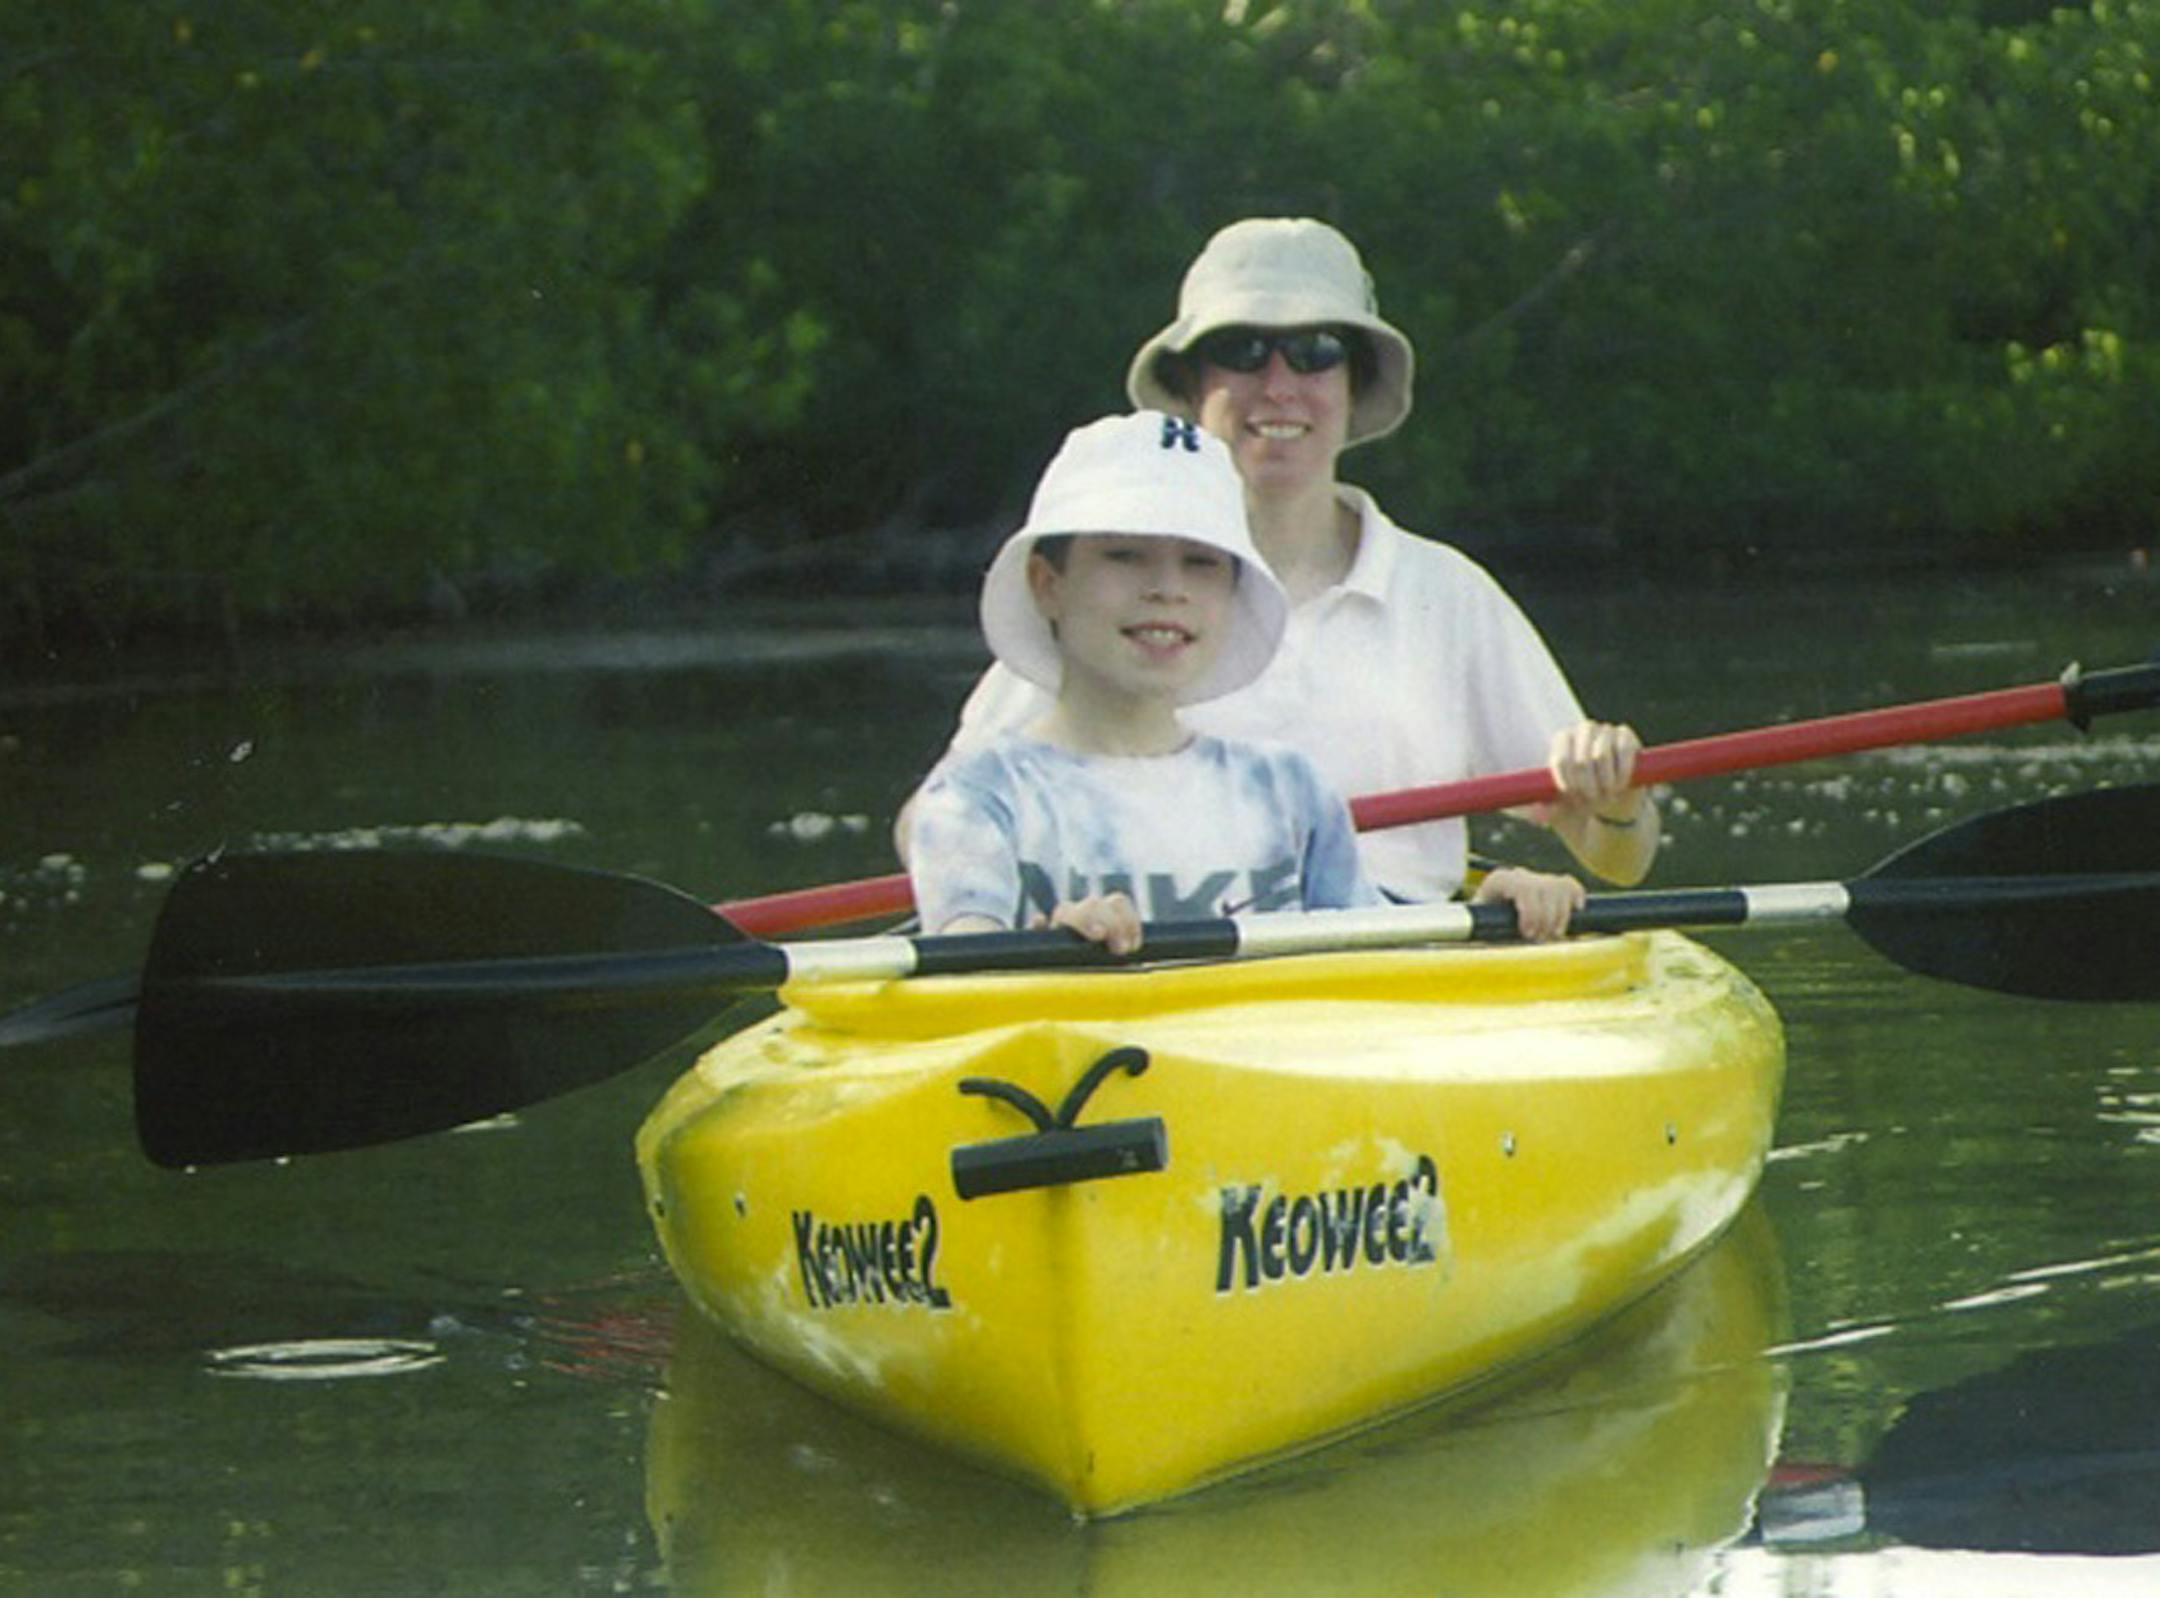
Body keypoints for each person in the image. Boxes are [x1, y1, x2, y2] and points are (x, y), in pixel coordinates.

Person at [911, 217, 1658, 939]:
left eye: (1317, 351)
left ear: (1353, 381)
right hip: (1127, 958)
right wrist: (1019, 922)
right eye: (1241, 350)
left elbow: (1617, 856)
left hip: (1397, 961)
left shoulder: (1445, 595)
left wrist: (1609, 809)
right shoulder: (1102, 617)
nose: (1279, 385)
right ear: (1190, 383)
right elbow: (945, 825)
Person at [908, 410, 1380, 954]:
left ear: (1232, 592)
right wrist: (1042, 948)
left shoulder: (1294, 790)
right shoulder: (976, 797)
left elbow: (1386, 965)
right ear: (1047, 584)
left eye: (1200, 562)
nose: (1166, 588)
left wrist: (1489, 911)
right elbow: (966, 966)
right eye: (1125, 555)